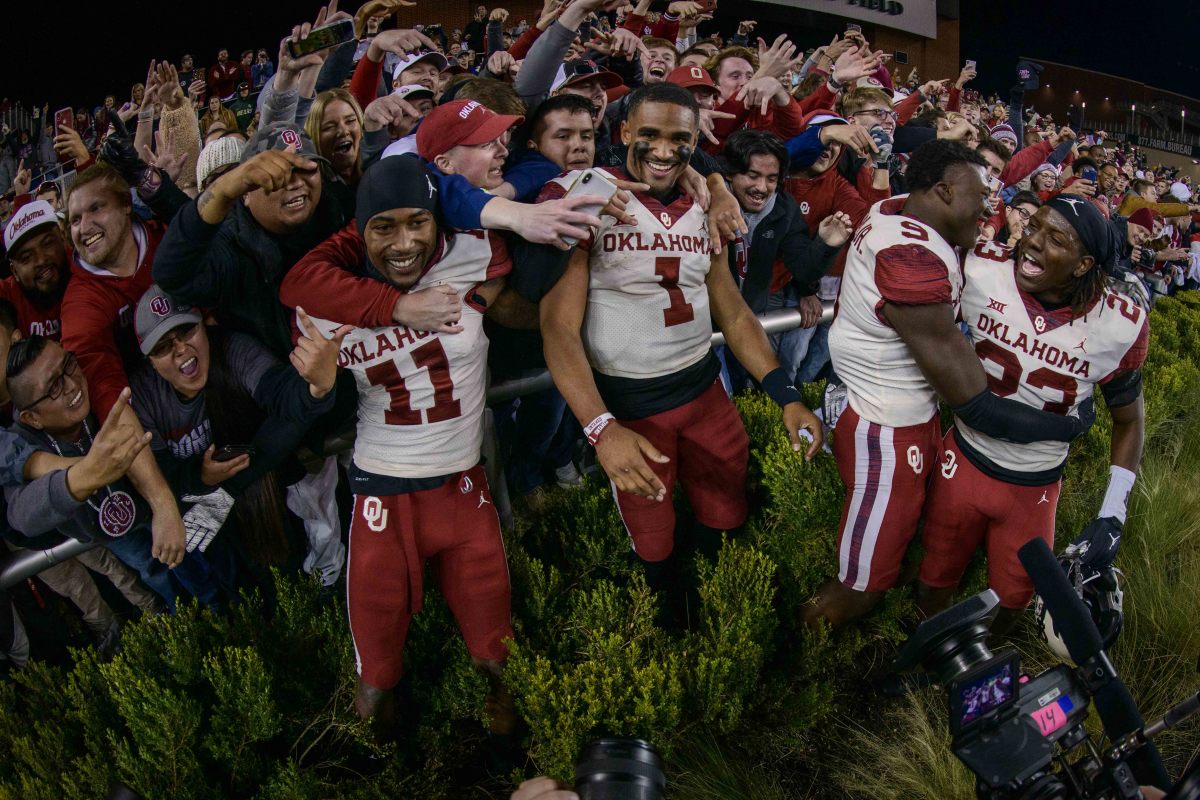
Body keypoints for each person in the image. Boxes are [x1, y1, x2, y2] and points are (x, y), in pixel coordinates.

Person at [539, 84, 823, 607]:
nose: (664, 150)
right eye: (648, 134)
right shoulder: (587, 195)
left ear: (696, 141)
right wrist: (601, 429)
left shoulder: (703, 203)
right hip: (632, 405)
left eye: (679, 139)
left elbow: (733, 312)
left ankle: (721, 622)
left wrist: (786, 393)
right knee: (653, 539)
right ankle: (669, 631)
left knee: (726, 512)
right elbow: (558, 328)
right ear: (623, 132)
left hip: (703, 394)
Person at [803, 140, 1093, 628]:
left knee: (905, 557)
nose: (989, 207)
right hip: (887, 432)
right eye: (980, 194)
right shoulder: (908, 256)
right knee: (860, 587)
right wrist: (1068, 426)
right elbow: (976, 405)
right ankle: (795, 673)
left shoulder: (898, 208)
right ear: (941, 191)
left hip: (899, 416)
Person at [277, 155, 516, 740]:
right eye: (384, 226)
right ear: (359, 230)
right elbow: (311, 393)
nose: (404, 241)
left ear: (436, 221)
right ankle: (385, 775)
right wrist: (321, 387)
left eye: (417, 222)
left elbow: (506, 281)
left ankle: (508, 769)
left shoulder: (470, 255)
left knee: (498, 660)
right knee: (377, 678)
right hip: (383, 496)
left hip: (463, 489)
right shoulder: (324, 299)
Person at [917, 197, 1147, 633]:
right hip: (963, 461)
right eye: (1034, 225)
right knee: (932, 583)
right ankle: (928, 666)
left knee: (1013, 603)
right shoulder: (982, 268)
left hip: (1035, 486)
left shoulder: (1121, 324)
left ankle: (981, 667)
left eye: (1055, 238)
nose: (1031, 242)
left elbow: (1129, 419)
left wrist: (1113, 511)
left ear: (1083, 265)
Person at [5, 338, 214, 609]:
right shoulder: (22, 443)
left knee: (199, 562)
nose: (72, 384)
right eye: (54, 387)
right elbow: (21, 515)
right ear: (32, 418)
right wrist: (85, 475)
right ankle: (188, 623)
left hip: (164, 497)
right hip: (112, 532)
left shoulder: (96, 379)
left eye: (68, 364)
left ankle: (222, 611)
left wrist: (164, 505)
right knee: (153, 573)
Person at [2, 199, 69, 339]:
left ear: (63, 239)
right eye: (26, 258)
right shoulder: (8, 293)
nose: (41, 260)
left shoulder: (88, 266)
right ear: (14, 271)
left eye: (47, 244)